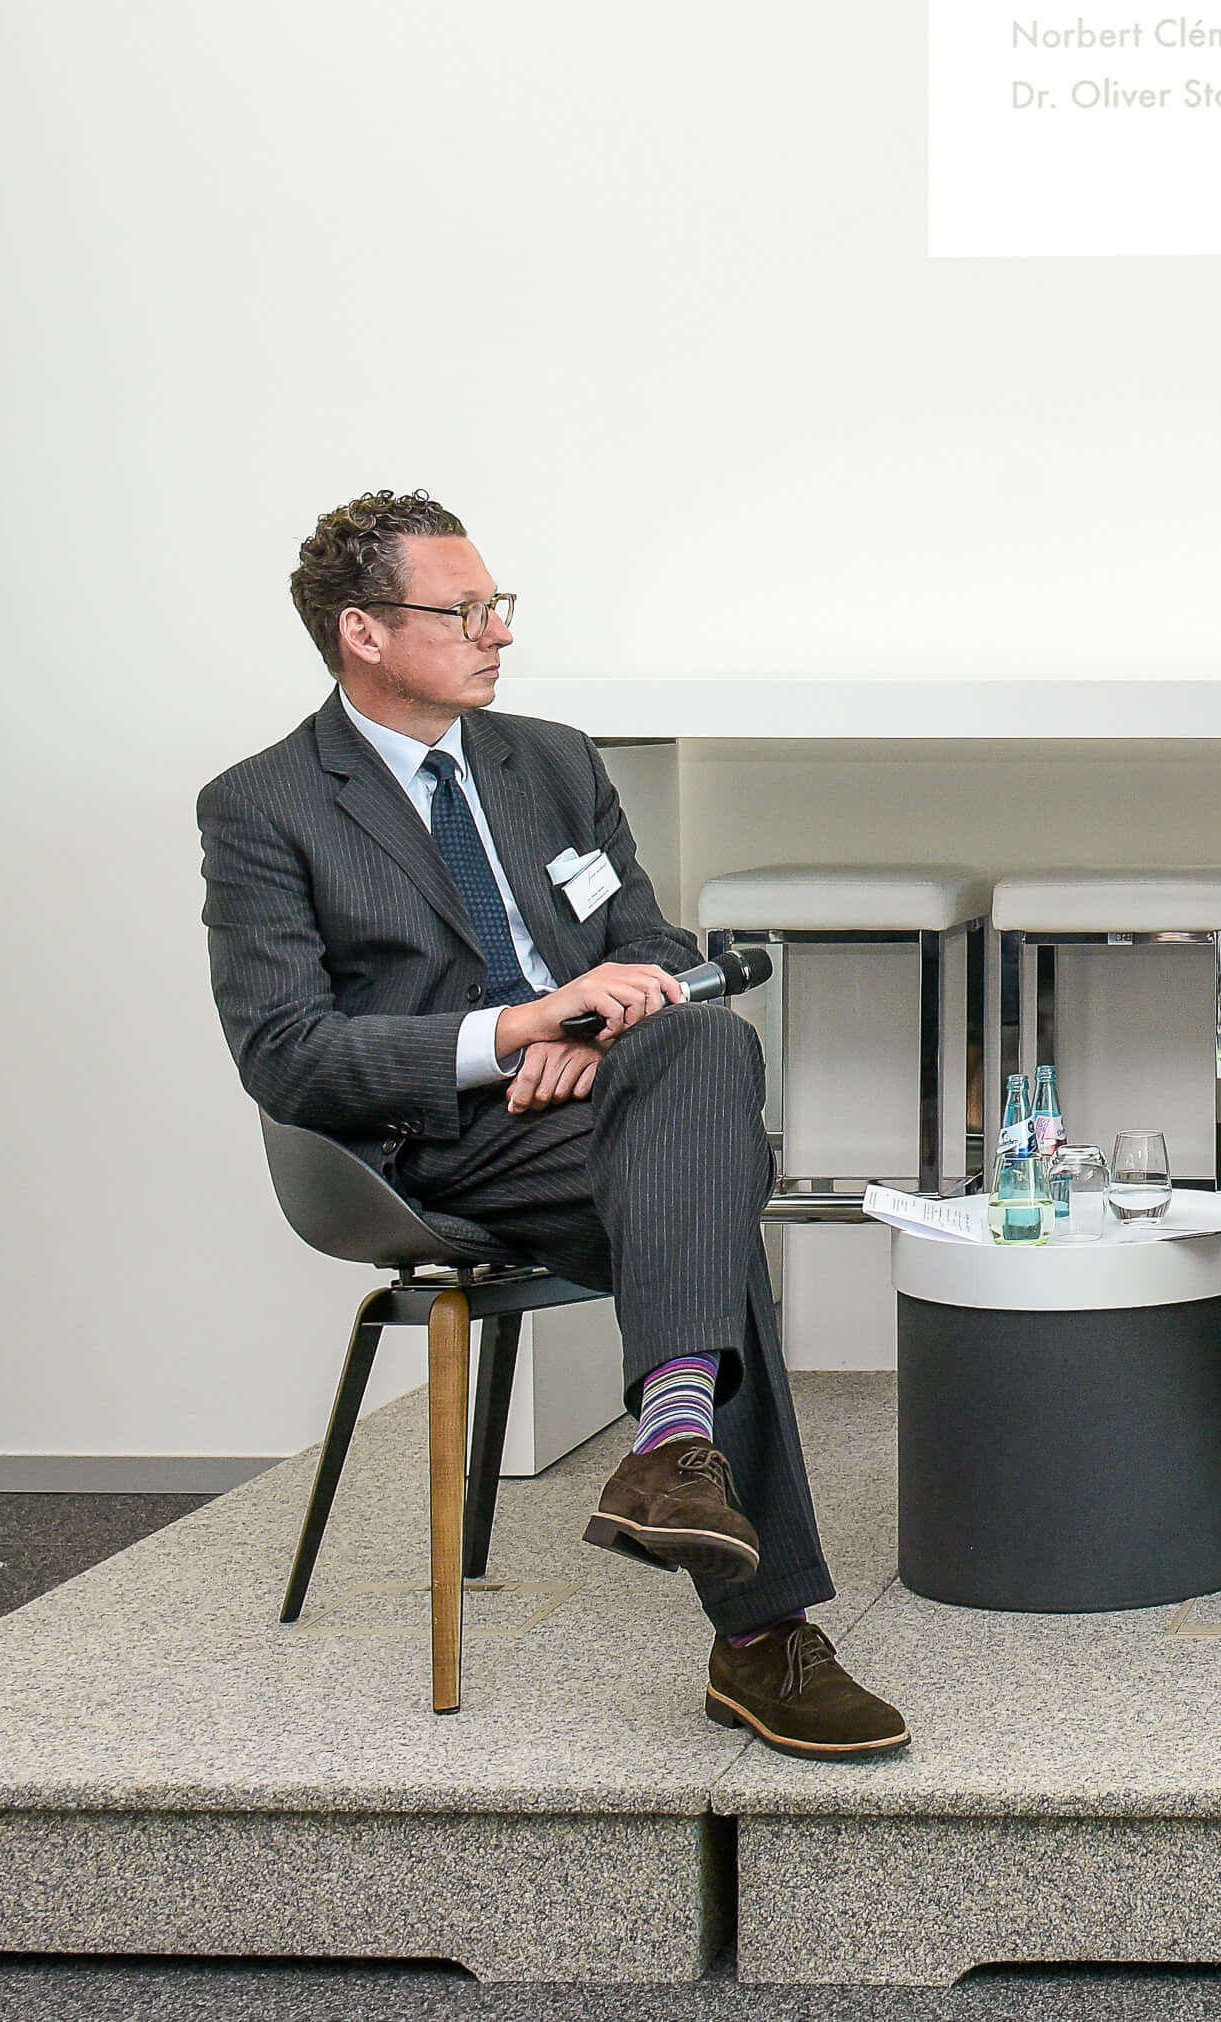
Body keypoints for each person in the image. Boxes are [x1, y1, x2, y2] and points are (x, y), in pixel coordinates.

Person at [196, 491, 906, 1760]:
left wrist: (593, 1027)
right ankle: (757, 1625)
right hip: (435, 1140)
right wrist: (519, 1029)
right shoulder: (266, 805)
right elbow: (287, 1056)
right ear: (363, 630)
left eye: (497, 605)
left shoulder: (554, 762)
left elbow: (654, 948)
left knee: (697, 1053)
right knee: (704, 1189)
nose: (498, 633)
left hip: (604, 1096)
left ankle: (681, 1459)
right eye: (463, 610)